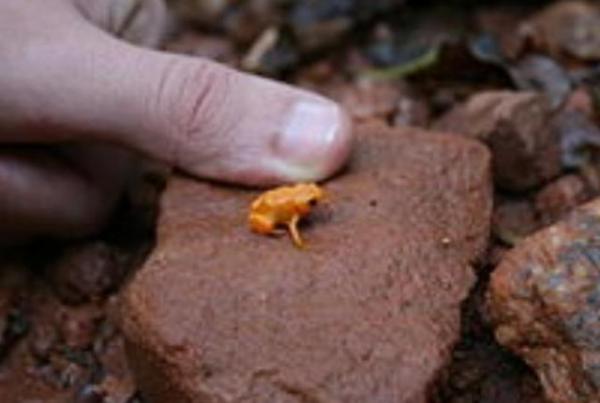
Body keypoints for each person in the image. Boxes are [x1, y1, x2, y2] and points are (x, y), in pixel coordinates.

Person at [0, 0, 353, 243]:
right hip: (267, 214)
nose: (314, 205)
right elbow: (284, 222)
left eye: (311, 201)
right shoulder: (293, 213)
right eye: (311, 203)